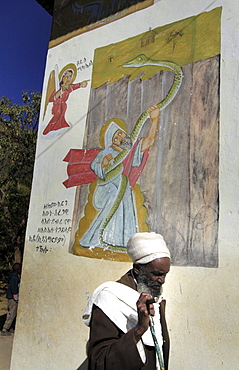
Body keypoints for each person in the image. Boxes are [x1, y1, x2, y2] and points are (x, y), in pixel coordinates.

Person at [83, 232, 171, 369]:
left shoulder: (155, 301)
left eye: (165, 274)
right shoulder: (109, 298)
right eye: (157, 274)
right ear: (137, 268)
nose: (162, 280)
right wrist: (139, 329)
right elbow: (98, 362)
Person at [79, 106, 160, 249]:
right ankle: (98, 239)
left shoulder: (131, 147)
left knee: (125, 209)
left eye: (120, 134)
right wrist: (104, 163)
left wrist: (155, 119)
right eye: (116, 138)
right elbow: (95, 165)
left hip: (123, 188)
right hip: (108, 188)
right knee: (113, 197)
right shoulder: (107, 152)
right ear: (112, 142)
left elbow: (149, 141)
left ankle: (122, 242)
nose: (120, 138)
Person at [43, 68, 88, 135]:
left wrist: (81, 84)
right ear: (63, 77)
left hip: (63, 106)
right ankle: (49, 130)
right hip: (57, 106)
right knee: (56, 118)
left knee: (61, 118)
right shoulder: (58, 88)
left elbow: (76, 86)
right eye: (67, 76)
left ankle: (61, 126)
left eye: (70, 77)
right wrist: (56, 95)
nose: (69, 79)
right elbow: (51, 99)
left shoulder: (68, 87)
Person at [1, 263, 22, 336]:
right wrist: (16, 298)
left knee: (13, 313)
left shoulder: (14, 277)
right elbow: (14, 289)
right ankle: (5, 328)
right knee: (11, 313)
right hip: (12, 298)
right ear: (18, 269)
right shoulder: (14, 278)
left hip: (12, 297)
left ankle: (11, 328)